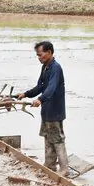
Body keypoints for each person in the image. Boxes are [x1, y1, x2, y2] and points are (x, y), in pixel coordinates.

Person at [17, 41, 69, 176]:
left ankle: (64, 169)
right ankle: (50, 165)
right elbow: (40, 87)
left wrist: (40, 99)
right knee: (47, 136)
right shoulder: (45, 67)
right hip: (46, 110)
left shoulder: (55, 68)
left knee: (57, 138)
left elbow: (51, 88)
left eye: (41, 55)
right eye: (37, 55)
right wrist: (26, 94)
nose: (39, 58)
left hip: (55, 110)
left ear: (49, 52)